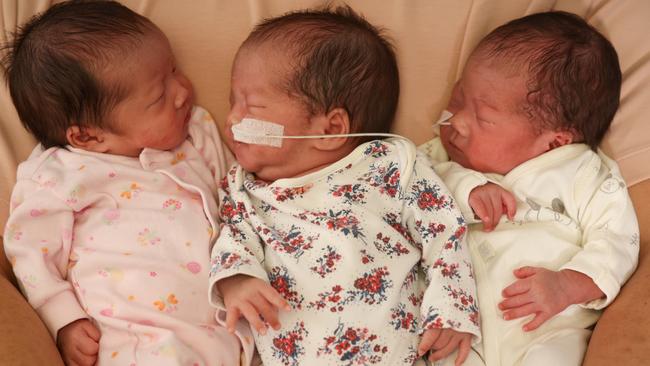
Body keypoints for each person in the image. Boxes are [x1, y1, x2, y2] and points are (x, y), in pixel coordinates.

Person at [208, 6, 480, 366]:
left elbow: (444, 231)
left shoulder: (389, 166)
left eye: (252, 108)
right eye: (232, 102)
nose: (232, 120)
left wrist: (452, 309)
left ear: (332, 128)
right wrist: (236, 280)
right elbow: (231, 238)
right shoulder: (243, 188)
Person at [2, 1, 254, 365]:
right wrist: (63, 318)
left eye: (174, 70)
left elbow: (236, 193)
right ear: (89, 137)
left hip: (230, 326)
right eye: (158, 97)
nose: (182, 91)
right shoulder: (59, 173)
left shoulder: (196, 132)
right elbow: (29, 249)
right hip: (139, 337)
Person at [418, 11, 640, 366]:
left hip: (545, 332)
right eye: (458, 100)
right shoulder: (439, 159)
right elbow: (407, 190)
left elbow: (618, 240)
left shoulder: (583, 173)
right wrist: (466, 188)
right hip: (460, 334)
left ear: (553, 143)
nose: (456, 121)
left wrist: (569, 284)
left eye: (483, 117)